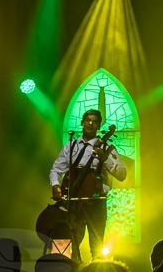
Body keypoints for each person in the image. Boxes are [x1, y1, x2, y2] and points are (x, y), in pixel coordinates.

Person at [49, 109, 127, 261]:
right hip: (73, 203)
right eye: (88, 120)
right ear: (82, 123)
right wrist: (56, 185)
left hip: (96, 203)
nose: (91, 124)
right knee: (69, 245)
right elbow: (56, 170)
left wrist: (105, 159)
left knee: (97, 248)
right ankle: (70, 270)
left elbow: (122, 174)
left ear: (99, 126)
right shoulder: (71, 146)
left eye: (95, 122)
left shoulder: (106, 147)